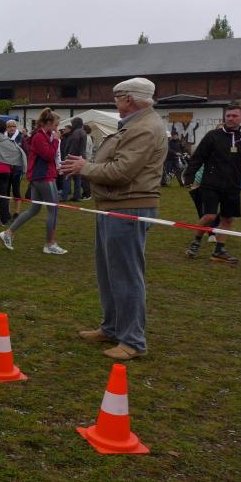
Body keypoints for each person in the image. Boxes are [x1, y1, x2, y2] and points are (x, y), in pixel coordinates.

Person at [61, 77, 166, 360]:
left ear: (128, 99)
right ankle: (112, 328)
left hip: (129, 207)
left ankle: (133, 341)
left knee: (126, 275)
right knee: (109, 273)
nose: (116, 103)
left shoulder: (145, 128)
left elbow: (121, 171)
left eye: (118, 98)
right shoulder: (135, 125)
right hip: (115, 205)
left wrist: (85, 168)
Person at [182, 104, 241, 264]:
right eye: (228, 115)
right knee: (210, 216)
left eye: (234, 116)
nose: (230, 118)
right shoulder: (213, 136)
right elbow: (198, 157)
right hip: (211, 183)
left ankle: (219, 250)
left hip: (233, 185)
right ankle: (196, 242)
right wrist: (189, 176)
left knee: (228, 219)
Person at [0, 108, 67, 255]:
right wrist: (56, 140)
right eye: (56, 125)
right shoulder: (40, 137)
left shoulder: (43, 135)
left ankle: (8, 233)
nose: (57, 128)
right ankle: (50, 244)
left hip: (40, 177)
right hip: (43, 177)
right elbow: (49, 155)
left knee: (34, 209)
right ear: (48, 123)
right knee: (53, 210)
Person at [60, 118, 86, 201]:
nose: (72, 125)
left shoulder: (75, 133)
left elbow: (72, 147)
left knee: (67, 177)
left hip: (72, 158)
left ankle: (64, 196)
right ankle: (77, 196)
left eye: (73, 123)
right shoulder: (83, 132)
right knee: (77, 179)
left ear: (76, 123)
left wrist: (67, 157)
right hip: (79, 158)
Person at [6, 120, 24, 219]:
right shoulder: (4, 137)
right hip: (6, 168)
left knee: (16, 190)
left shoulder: (20, 137)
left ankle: (17, 212)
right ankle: (7, 212)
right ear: (7, 128)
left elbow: (24, 152)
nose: (12, 128)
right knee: (6, 191)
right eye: (9, 126)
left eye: (14, 126)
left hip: (17, 169)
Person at [81, 124, 94, 200]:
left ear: (85, 130)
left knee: (84, 179)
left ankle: (87, 194)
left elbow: (85, 151)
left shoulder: (86, 138)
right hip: (87, 159)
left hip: (86, 160)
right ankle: (86, 193)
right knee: (84, 179)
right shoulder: (88, 137)